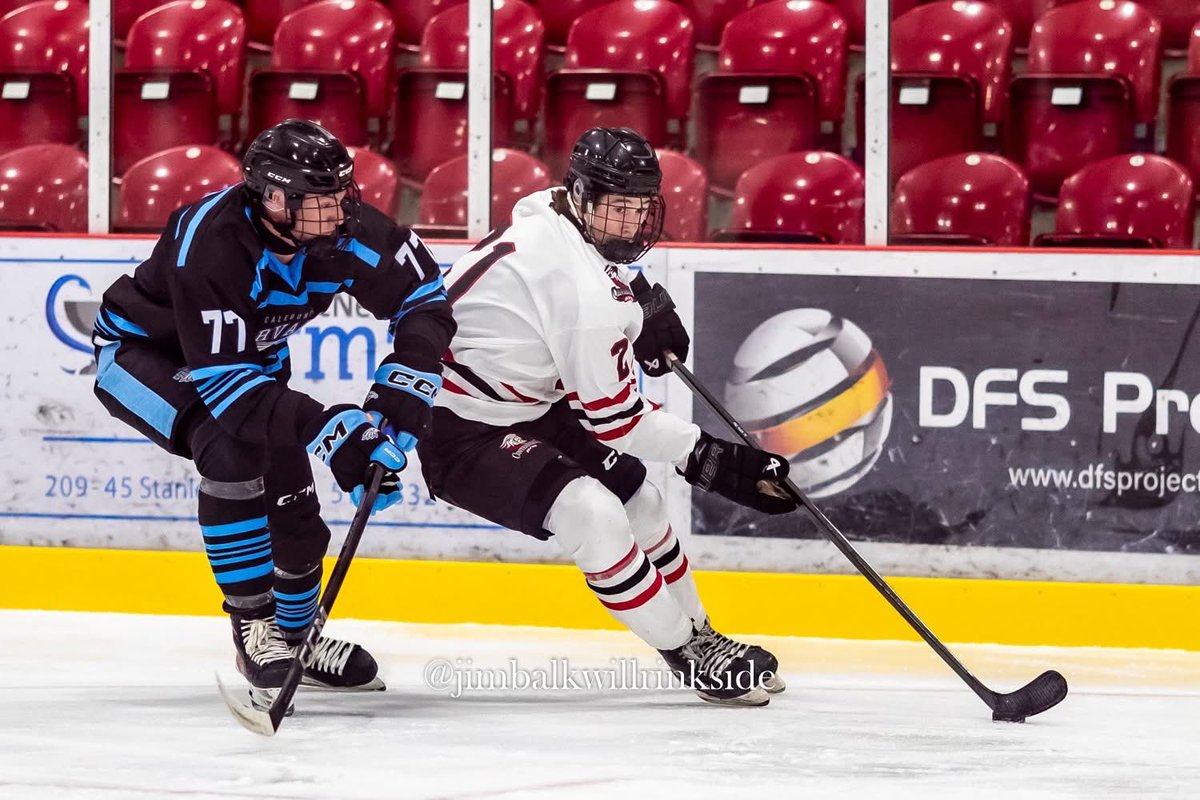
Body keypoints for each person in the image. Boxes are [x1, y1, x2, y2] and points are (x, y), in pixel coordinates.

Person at [418, 127, 796, 707]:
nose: (630, 225)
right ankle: (685, 653)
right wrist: (715, 459)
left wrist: (641, 302)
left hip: (529, 403)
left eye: (640, 208)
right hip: (460, 430)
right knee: (593, 513)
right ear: (582, 196)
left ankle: (704, 635)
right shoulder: (582, 300)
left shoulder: (552, 210)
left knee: (641, 500)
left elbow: (580, 251)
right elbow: (616, 421)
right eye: (617, 209)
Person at [91, 119, 455, 709]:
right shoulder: (209, 243)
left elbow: (423, 296)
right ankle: (253, 624)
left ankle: (297, 636)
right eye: (319, 201)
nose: (338, 212)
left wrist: (407, 380)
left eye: (341, 195)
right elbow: (230, 395)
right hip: (143, 357)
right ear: (272, 197)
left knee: (297, 512)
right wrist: (331, 427)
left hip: (248, 366)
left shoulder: (343, 230)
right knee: (230, 444)